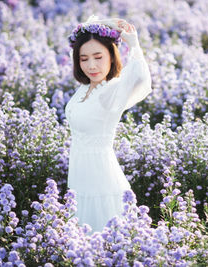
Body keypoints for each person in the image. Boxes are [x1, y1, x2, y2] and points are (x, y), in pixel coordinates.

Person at [64, 15, 152, 233]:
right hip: (79, 175)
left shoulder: (111, 90)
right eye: (84, 59)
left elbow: (141, 78)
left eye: (98, 57)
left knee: (104, 236)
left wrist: (134, 44)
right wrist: (92, 27)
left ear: (112, 57)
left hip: (101, 177)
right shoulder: (84, 90)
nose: (91, 65)